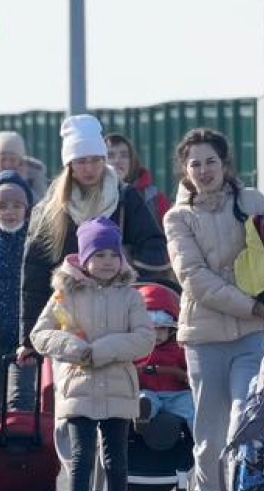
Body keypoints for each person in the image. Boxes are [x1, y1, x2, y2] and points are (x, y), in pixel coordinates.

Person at [163, 127, 264, 491]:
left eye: (211, 161)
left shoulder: (252, 202)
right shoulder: (177, 218)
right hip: (204, 337)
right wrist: (251, 306)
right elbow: (194, 279)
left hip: (253, 334)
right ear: (185, 170)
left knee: (244, 421)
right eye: (195, 163)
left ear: (225, 164)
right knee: (209, 432)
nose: (204, 170)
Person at [30, 216, 154, 491]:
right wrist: (74, 349)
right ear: (84, 258)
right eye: (99, 255)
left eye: (113, 255)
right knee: (81, 455)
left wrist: (102, 350)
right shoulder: (64, 295)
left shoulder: (130, 296)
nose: (107, 262)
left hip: (117, 385)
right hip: (78, 385)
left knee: (116, 458)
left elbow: (144, 338)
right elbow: (40, 334)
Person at [18, 115, 170, 364]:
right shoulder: (52, 209)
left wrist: (125, 273)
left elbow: (154, 245)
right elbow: (34, 274)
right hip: (69, 322)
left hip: (117, 319)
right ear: (69, 165)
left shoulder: (124, 198)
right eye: (80, 161)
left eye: (95, 160)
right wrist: (28, 340)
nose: (89, 168)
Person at [0, 169, 36, 414]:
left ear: (27, 209)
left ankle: (21, 449)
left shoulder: (35, 241)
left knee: (21, 399)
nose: (9, 212)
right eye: (2, 206)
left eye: (16, 205)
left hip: (26, 335)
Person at [132, 282, 193, 431]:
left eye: (162, 329)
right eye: (151, 330)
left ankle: (202, 442)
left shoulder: (179, 348)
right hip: (148, 391)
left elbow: (189, 369)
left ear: (171, 330)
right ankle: (141, 416)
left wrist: (186, 376)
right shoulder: (135, 349)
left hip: (176, 393)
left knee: (192, 407)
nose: (156, 335)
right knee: (144, 399)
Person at [105, 133, 170, 226]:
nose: (117, 161)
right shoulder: (89, 194)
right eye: (110, 156)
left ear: (132, 161)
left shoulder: (154, 198)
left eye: (124, 155)